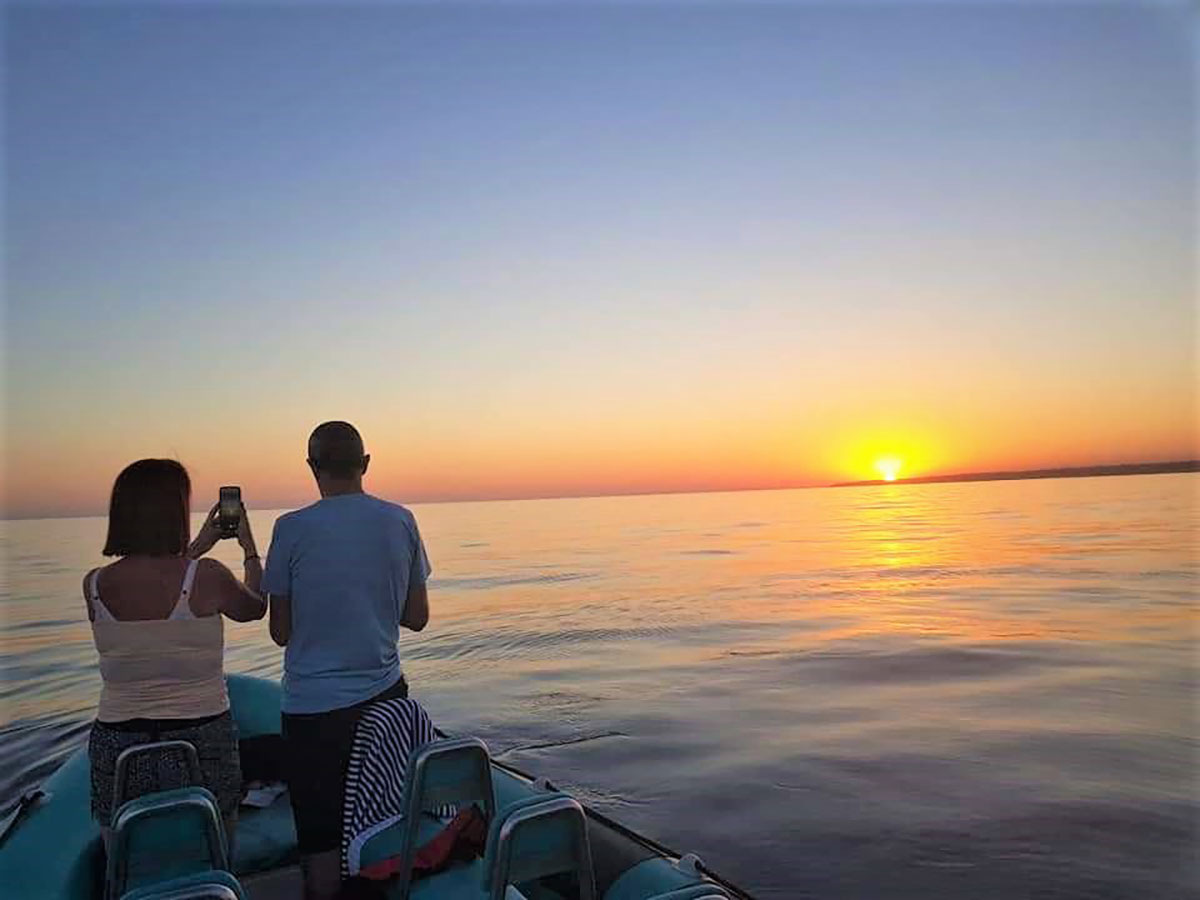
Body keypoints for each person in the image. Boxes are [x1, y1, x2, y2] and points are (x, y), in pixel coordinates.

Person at [262, 421, 431, 900]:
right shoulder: (401, 521)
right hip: (387, 704)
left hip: (315, 714)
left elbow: (280, 632)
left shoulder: (290, 529)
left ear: (312, 468)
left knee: (320, 841)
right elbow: (416, 618)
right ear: (366, 464)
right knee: (383, 826)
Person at [84, 459, 265, 851]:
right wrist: (250, 548)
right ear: (175, 512)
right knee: (214, 854)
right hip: (202, 740)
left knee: (127, 861)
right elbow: (256, 607)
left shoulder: (94, 584)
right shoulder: (209, 576)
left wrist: (196, 547)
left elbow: (159, 585)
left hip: (118, 745)